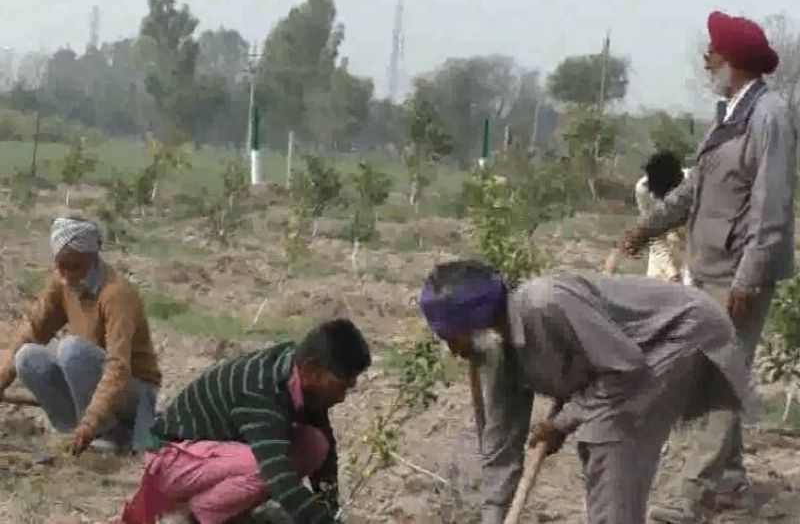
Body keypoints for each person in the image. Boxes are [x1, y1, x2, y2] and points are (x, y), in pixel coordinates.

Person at [623, 11, 796, 522]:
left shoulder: (770, 116)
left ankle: (692, 492)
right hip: (711, 267)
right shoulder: (730, 115)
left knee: (722, 378)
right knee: (713, 375)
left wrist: (750, 275)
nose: (706, 60)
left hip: (740, 271)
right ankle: (730, 480)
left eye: (712, 51)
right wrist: (648, 225)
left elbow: (772, 203)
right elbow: (696, 186)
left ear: (734, 60)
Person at [418, 260, 749, 524]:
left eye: (453, 337)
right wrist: (494, 516)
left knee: (607, 434)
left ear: (480, 323)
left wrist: (563, 422)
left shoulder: (546, 303)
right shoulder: (498, 352)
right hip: (625, 362)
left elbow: (623, 368)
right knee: (600, 431)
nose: (454, 350)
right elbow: (502, 444)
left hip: (682, 332)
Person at [121, 318, 371, 524]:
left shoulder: (298, 380)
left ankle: (224, 511)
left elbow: (325, 458)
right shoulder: (261, 390)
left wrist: (330, 510)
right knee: (264, 468)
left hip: (211, 457)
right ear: (312, 370)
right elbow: (278, 475)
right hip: (171, 459)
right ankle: (192, 517)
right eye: (339, 387)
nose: (341, 398)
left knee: (315, 445)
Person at [0, 216, 160, 456]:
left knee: (71, 350)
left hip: (133, 391)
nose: (66, 275)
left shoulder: (116, 294)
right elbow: (34, 331)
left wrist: (93, 419)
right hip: (92, 387)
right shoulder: (62, 283)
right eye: (60, 266)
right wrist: (3, 378)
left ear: (92, 259)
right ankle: (73, 435)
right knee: (27, 357)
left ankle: (108, 435)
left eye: (74, 267)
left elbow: (119, 366)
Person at [635, 151, 693, 285]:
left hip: (690, 247)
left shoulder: (696, 187)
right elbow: (654, 237)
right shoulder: (643, 190)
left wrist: (686, 278)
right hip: (662, 252)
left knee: (690, 295)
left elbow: (699, 241)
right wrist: (671, 273)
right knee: (655, 292)